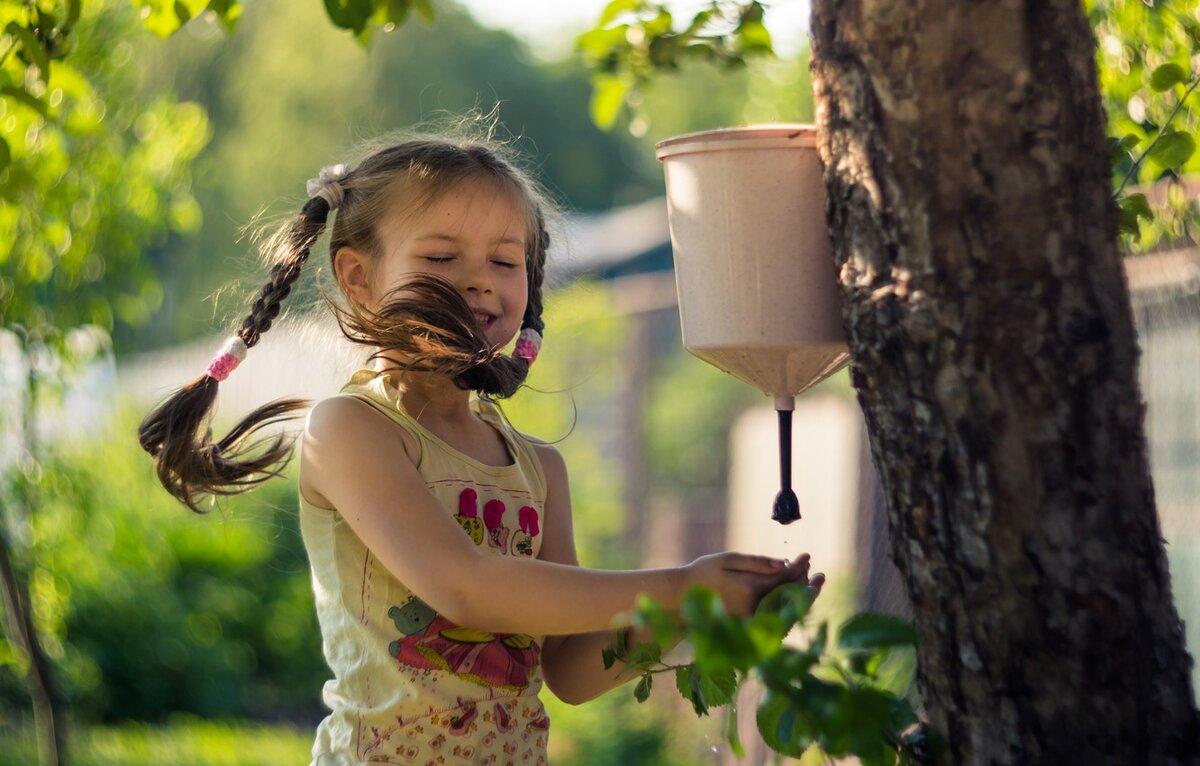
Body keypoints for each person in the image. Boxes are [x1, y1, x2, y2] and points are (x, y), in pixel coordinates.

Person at [139, 134, 824, 766]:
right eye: (441, 258)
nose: (480, 279)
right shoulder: (352, 431)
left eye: (505, 260)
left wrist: (701, 613)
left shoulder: (537, 468)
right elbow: (468, 588)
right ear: (357, 277)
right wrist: (678, 582)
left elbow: (573, 671)